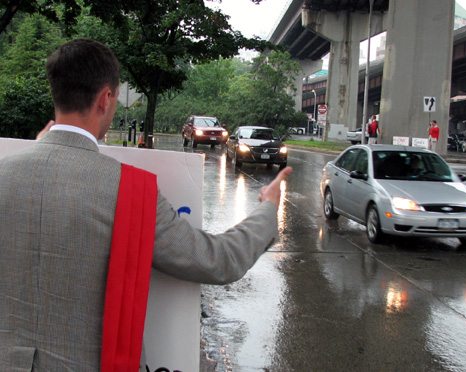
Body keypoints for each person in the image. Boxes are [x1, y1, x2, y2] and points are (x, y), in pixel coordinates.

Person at [0, 39, 292, 370]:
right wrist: (268, 210)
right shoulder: (129, 190)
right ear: (106, 98)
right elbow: (218, 260)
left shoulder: (4, 171)